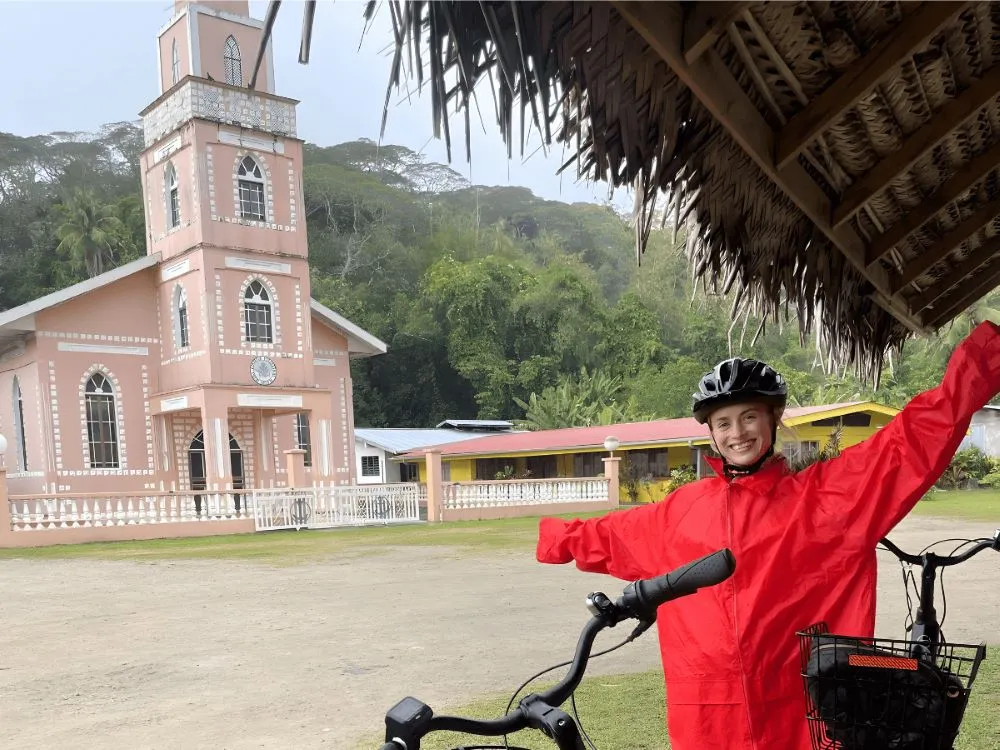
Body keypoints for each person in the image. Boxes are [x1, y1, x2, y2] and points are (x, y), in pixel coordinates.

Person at [535, 321, 1000, 750]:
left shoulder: (826, 499)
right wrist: (554, 537)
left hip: (799, 711)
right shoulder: (681, 511)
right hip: (707, 719)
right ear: (712, 434)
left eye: (749, 417)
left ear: (773, 419)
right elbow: (610, 535)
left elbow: (908, 444)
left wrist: (982, 362)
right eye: (723, 422)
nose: (738, 433)